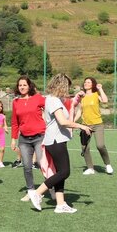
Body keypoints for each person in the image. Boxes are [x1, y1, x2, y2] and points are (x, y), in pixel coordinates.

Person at [26, 74, 91, 213]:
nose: (67, 89)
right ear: (61, 85)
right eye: (66, 86)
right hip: (55, 140)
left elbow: (68, 107)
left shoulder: (52, 99)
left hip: (56, 140)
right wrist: (82, 126)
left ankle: (60, 204)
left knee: (60, 172)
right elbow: (63, 121)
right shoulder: (54, 101)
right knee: (64, 172)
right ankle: (37, 193)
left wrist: (77, 99)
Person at [10, 76, 46, 196]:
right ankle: (31, 190)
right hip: (24, 139)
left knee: (42, 164)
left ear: (29, 86)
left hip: (39, 137)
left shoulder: (37, 98)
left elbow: (51, 107)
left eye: (24, 85)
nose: (22, 87)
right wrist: (13, 139)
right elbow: (15, 122)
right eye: (20, 85)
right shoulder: (15, 102)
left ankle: (50, 188)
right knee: (26, 166)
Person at [74, 77, 114, 175]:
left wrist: (100, 89)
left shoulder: (96, 94)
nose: (86, 83)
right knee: (84, 148)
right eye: (85, 82)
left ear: (93, 84)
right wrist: (73, 121)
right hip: (85, 126)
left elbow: (105, 100)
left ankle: (107, 164)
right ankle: (90, 168)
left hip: (97, 124)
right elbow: (80, 110)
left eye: (89, 82)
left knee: (100, 146)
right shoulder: (82, 96)